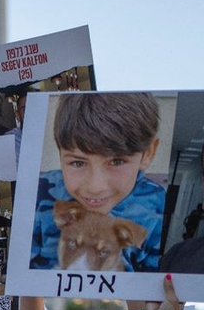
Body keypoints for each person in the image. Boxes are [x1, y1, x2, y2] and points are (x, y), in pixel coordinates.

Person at [30, 92, 165, 272]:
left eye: (116, 162)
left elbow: (156, 291)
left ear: (148, 153)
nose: (95, 187)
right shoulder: (35, 194)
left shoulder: (160, 209)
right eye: (78, 163)